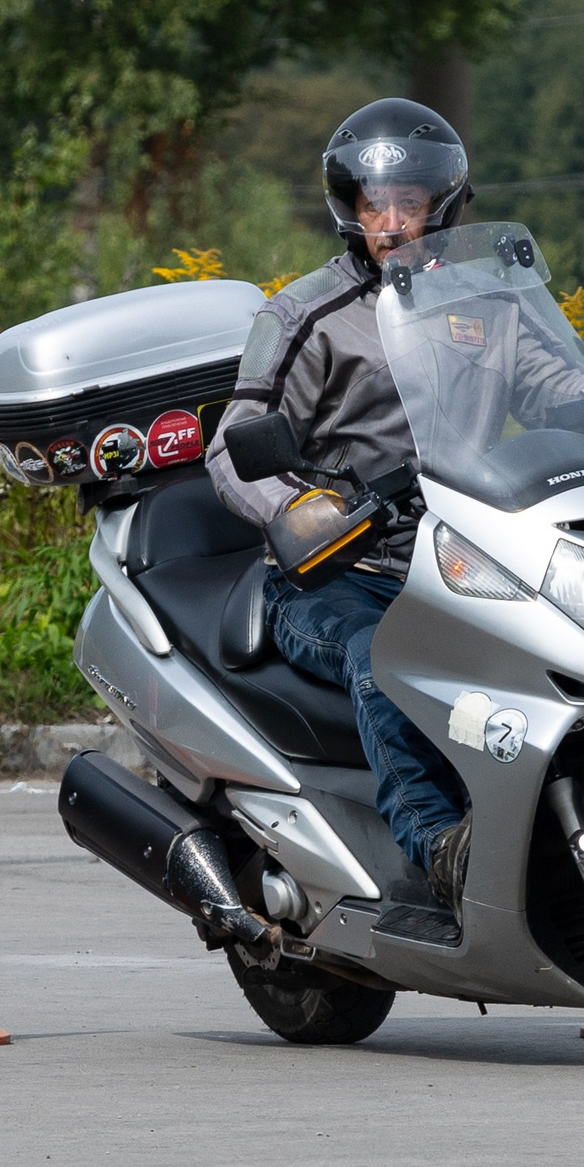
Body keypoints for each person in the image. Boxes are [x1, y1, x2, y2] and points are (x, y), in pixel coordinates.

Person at [204, 98, 476, 909]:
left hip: (463, 562)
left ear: (443, 205)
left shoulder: (483, 305)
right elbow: (234, 439)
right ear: (350, 209)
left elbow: (558, 389)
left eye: (411, 203)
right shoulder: (306, 314)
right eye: (374, 204)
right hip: (335, 572)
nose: (392, 221)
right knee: (380, 655)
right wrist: (298, 509)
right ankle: (437, 847)